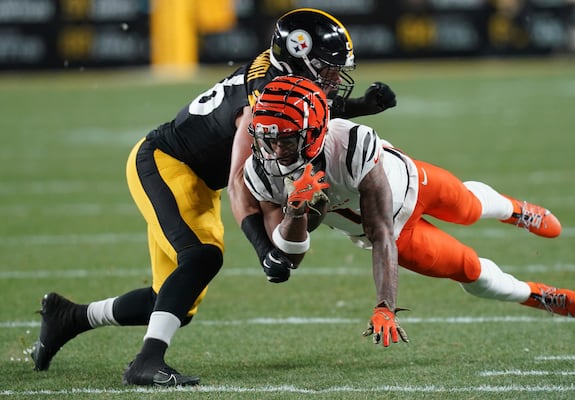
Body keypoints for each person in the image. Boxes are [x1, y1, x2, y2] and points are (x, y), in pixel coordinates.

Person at [30, 8, 398, 386]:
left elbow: (304, 107)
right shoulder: (263, 100)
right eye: (326, 68)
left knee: (175, 300)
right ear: (298, 57)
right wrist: (261, 248)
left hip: (197, 177)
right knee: (202, 258)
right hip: (166, 162)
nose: (335, 78)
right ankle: (146, 363)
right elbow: (238, 180)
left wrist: (359, 107)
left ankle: (70, 317)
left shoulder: (284, 81)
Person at [242, 75, 575, 347]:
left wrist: (385, 305)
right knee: (468, 269)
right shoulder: (259, 172)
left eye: (285, 139)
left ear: (316, 132)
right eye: (266, 138)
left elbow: (380, 232)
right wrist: (296, 212)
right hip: (398, 234)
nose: (274, 150)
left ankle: (514, 210)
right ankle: (535, 295)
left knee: (468, 208)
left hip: (411, 185)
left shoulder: (351, 145)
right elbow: (290, 256)